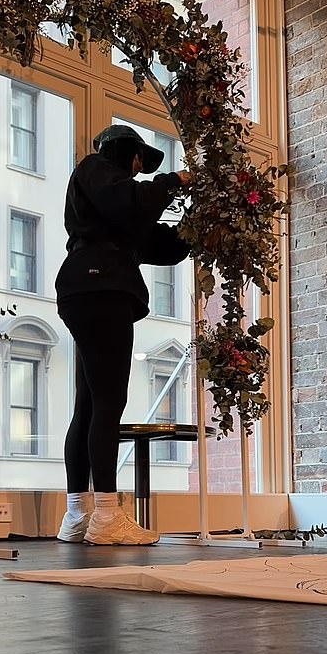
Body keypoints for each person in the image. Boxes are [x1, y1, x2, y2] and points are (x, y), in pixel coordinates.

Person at [55, 124, 191, 545]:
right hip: (101, 288)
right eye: (136, 160)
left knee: (91, 404)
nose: (137, 170)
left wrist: (194, 228)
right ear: (121, 151)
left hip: (88, 288)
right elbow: (132, 202)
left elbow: (156, 243)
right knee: (109, 402)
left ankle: (77, 514)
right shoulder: (95, 169)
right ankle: (107, 516)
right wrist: (172, 182)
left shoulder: (112, 206)